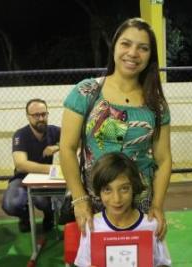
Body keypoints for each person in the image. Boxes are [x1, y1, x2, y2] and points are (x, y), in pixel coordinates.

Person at [60, 17, 172, 240]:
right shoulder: (87, 91)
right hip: (94, 202)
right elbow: (67, 148)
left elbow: (164, 159)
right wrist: (80, 200)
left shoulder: (156, 103)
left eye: (143, 48)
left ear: (151, 55)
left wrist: (157, 206)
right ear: (114, 47)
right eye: (126, 44)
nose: (133, 53)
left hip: (140, 204)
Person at [74, 152, 171, 267]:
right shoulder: (91, 226)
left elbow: (164, 264)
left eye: (124, 189)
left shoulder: (152, 226)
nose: (116, 199)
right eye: (107, 190)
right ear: (98, 192)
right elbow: (83, 263)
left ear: (134, 187)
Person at [2, 98, 60, 232]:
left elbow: (76, 141)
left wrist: (57, 146)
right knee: (11, 205)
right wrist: (52, 169)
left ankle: (48, 215)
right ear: (28, 117)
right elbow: (21, 164)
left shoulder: (54, 131)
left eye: (44, 114)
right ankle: (25, 215)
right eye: (36, 115)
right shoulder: (20, 135)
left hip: (44, 180)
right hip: (22, 178)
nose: (41, 118)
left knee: (42, 202)